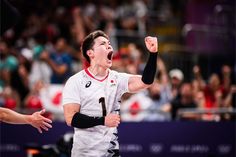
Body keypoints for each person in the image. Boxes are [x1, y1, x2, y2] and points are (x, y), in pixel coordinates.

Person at [63, 30, 158, 156]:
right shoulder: (76, 81)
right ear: (90, 53)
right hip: (84, 153)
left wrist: (153, 53)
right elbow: (71, 118)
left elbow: (146, 81)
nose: (109, 46)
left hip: (110, 152)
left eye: (109, 43)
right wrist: (103, 121)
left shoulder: (117, 78)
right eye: (103, 44)